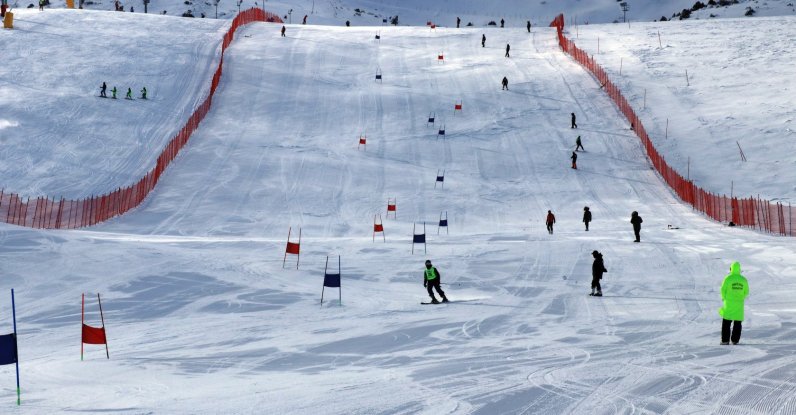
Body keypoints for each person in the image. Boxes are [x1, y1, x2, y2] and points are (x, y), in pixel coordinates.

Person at [719, 261, 749, 345]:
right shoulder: (743, 280)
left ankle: (725, 340)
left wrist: (724, 298)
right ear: (739, 269)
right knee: (738, 322)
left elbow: (722, 289)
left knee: (726, 322)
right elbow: (746, 292)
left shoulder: (728, 278)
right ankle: (735, 340)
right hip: (739, 304)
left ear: (731, 268)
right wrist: (740, 297)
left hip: (728, 304)